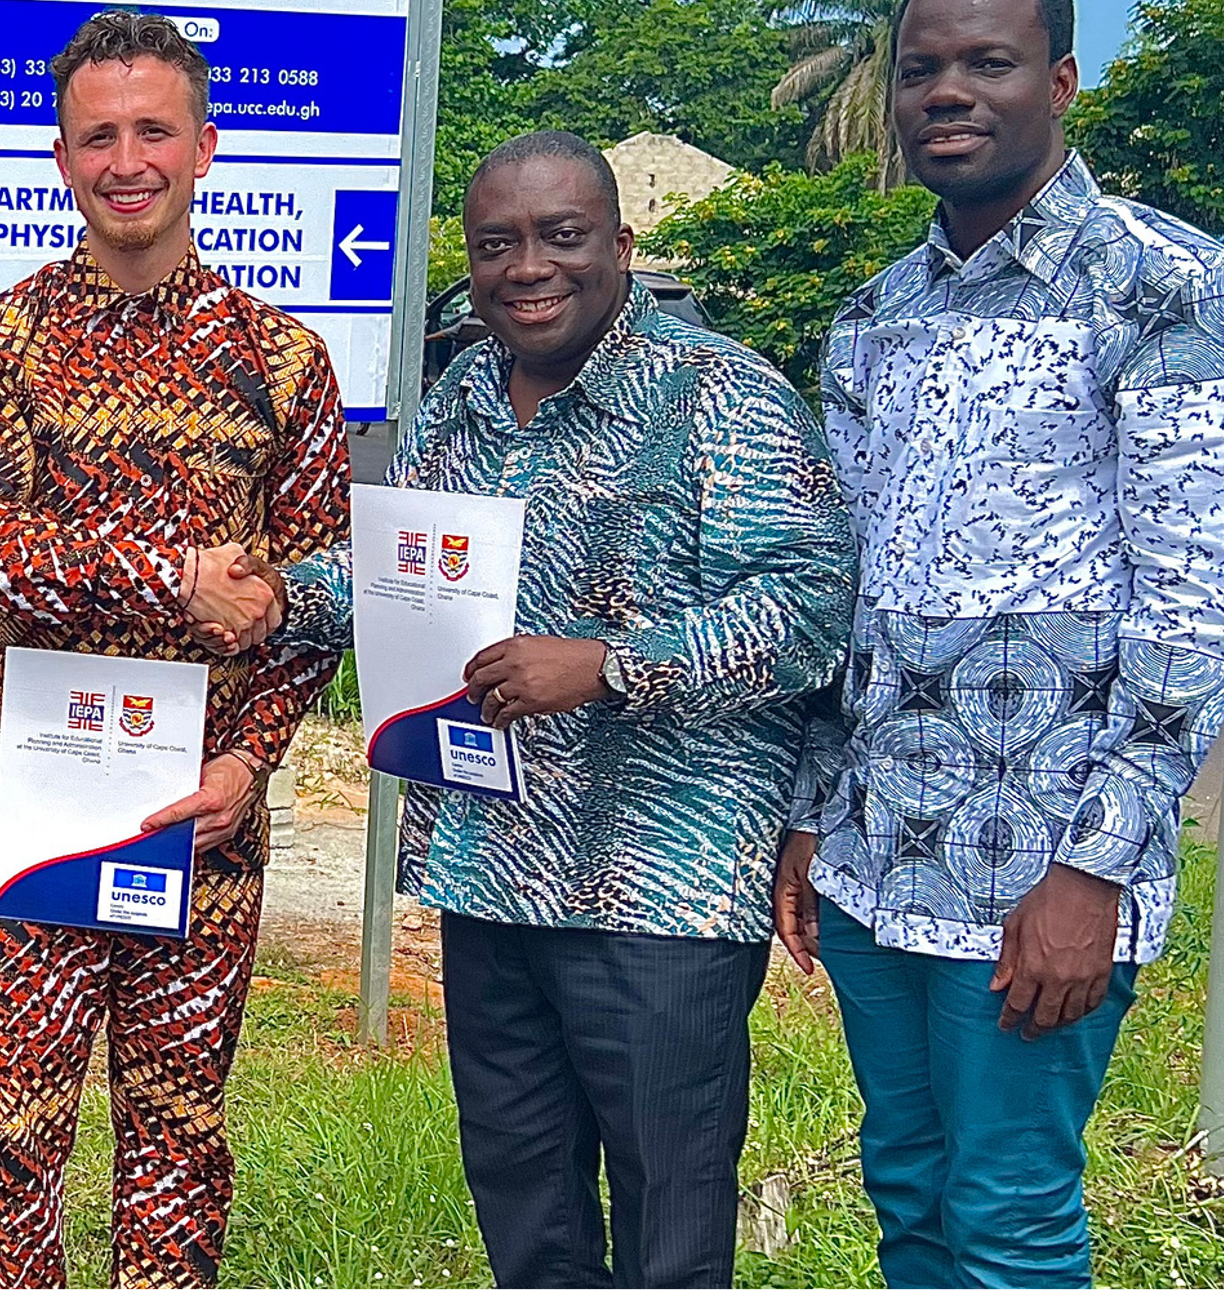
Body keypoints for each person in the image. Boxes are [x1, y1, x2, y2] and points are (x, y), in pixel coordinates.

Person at [271, 131, 857, 1288]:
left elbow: (810, 609)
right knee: (525, 1204)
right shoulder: (463, 395)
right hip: (490, 866)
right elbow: (399, 576)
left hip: (662, 888)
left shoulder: (721, 396)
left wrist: (608, 663)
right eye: (496, 244)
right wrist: (273, 596)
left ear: (620, 247)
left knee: (668, 1219)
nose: (526, 266)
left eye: (560, 236)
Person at [777, 0, 1224, 1290]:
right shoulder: (874, 320)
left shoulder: (1168, 287)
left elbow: (1197, 608)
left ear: (1057, 82)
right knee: (907, 1193)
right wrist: (813, 812)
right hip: (876, 865)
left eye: (984, 64)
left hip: (1041, 874)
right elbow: (851, 599)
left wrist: (1089, 871)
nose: (946, 94)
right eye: (919, 69)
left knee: (1007, 1217)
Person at [0, 10, 346, 1288]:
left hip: (202, 813)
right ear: (59, 158)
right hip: (27, 807)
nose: (126, 158)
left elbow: (322, 590)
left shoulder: (281, 358)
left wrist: (251, 760)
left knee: (176, 1130)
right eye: (97, 134)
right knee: (10, 1127)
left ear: (204, 145)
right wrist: (177, 578)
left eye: (152, 129)